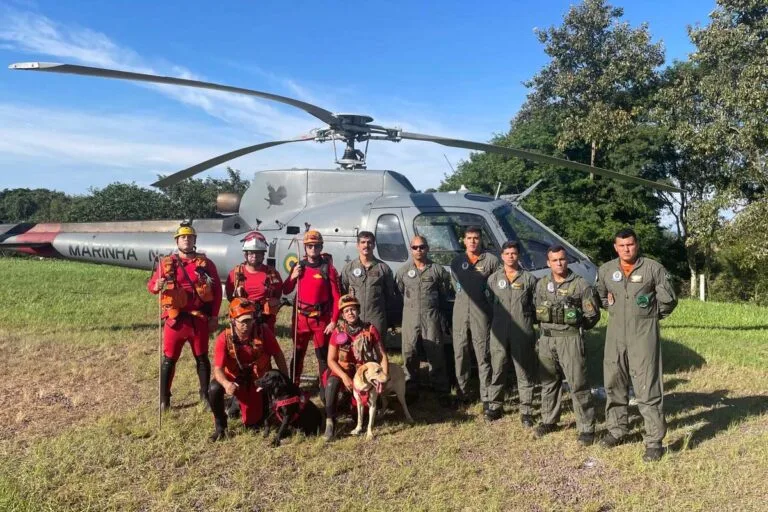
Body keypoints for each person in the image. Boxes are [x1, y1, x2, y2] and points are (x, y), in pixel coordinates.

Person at [596, 227, 678, 462]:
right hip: (615, 335)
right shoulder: (607, 270)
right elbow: (601, 296)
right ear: (615, 247)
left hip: (643, 335)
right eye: (621, 246)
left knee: (647, 385)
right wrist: (614, 308)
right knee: (614, 381)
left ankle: (654, 441)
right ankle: (617, 430)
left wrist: (649, 317)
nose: (626, 249)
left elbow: (669, 300)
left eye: (630, 244)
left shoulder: (653, 269)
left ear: (637, 244)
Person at [147, 221, 222, 411]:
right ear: (177, 241)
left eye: (189, 237)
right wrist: (157, 286)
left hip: (198, 320)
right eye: (183, 237)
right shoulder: (166, 264)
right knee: (169, 360)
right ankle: (165, 399)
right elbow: (152, 287)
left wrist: (214, 316)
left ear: (194, 240)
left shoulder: (206, 264)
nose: (186, 240)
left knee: (202, 358)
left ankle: (204, 395)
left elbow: (217, 292)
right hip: (175, 321)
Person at [533, 245, 600, 446]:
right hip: (546, 339)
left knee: (578, 383)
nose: (559, 263)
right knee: (548, 381)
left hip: (569, 339)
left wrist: (576, 328)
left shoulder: (581, 285)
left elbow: (592, 315)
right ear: (548, 263)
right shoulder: (542, 284)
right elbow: (536, 308)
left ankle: (586, 428)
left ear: (567, 260)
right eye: (554, 260)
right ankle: (549, 420)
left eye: (562, 259)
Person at [208, 298, 289, 441]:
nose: (247, 325)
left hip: (256, 381)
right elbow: (218, 369)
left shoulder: (263, 332)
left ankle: (241, 406)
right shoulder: (223, 338)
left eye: (249, 320)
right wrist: (226, 384)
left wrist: (286, 379)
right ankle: (221, 427)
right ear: (233, 320)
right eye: (242, 322)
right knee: (214, 388)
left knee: (253, 425)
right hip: (234, 379)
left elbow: (278, 355)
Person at [395, 235, 453, 406]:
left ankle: (441, 389)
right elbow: (399, 292)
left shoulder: (437, 270)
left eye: (422, 247)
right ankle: (411, 387)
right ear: (410, 249)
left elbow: (445, 291)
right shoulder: (403, 271)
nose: (418, 250)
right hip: (410, 316)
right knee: (409, 352)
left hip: (431, 316)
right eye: (415, 247)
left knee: (435, 352)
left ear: (427, 248)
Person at [322, 294, 389, 440]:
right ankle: (330, 422)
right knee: (331, 385)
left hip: (362, 374)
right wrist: (344, 377)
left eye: (352, 309)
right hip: (343, 370)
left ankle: (352, 408)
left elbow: (382, 356)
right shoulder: (338, 331)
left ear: (358, 311)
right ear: (342, 315)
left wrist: (384, 378)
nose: (350, 313)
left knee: (359, 417)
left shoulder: (370, 330)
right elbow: (331, 360)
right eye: (346, 311)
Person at [486, 240, 538, 424]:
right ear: (502, 256)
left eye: (514, 253)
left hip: (522, 329)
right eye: (507, 253)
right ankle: (495, 406)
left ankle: (526, 411)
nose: (510, 256)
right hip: (499, 330)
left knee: (523, 371)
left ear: (518, 255)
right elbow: (487, 303)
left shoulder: (529, 279)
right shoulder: (493, 279)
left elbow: (536, 305)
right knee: (498, 368)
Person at [450, 226, 500, 411]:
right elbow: (454, 284)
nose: (472, 241)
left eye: (476, 238)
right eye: (469, 238)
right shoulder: (456, 262)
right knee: (460, 353)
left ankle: (486, 395)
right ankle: (462, 393)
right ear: (463, 240)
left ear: (481, 240)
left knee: (483, 353)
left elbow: (497, 287)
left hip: (482, 313)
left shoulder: (491, 261)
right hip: (461, 312)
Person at [282, 230, 341, 385]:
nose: (313, 249)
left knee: (322, 356)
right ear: (305, 247)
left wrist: (333, 321)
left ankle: (325, 389)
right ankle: (294, 386)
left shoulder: (328, 269)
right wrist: (293, 277)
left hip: (321, 320)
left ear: (321, 247)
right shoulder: (298, 266)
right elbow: (286, 290)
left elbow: (337, 298)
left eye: (316, 246)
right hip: (301, 320)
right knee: (298, 354)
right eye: (309, 246)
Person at [340, 231, 400, 340]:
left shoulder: (383, 268)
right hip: (355, 318)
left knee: (377, 351)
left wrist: (389, 318)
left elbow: (390, 295)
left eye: (369, 242)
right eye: (363, 242)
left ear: (374, 245)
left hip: (376, 317)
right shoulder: (349, 268)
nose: (366, 245)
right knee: (355, 351)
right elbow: (343, 293)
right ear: (358, 245)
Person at [225, 231, 283, 333]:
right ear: (245, 254)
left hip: (266, 320)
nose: (254, 256)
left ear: (263, 254)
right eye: (251, 252)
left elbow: (277, 294)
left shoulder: (272, 273)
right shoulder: (235, 274)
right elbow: (230, 297)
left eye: (258, 253)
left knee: (267, 347)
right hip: (243, 321)